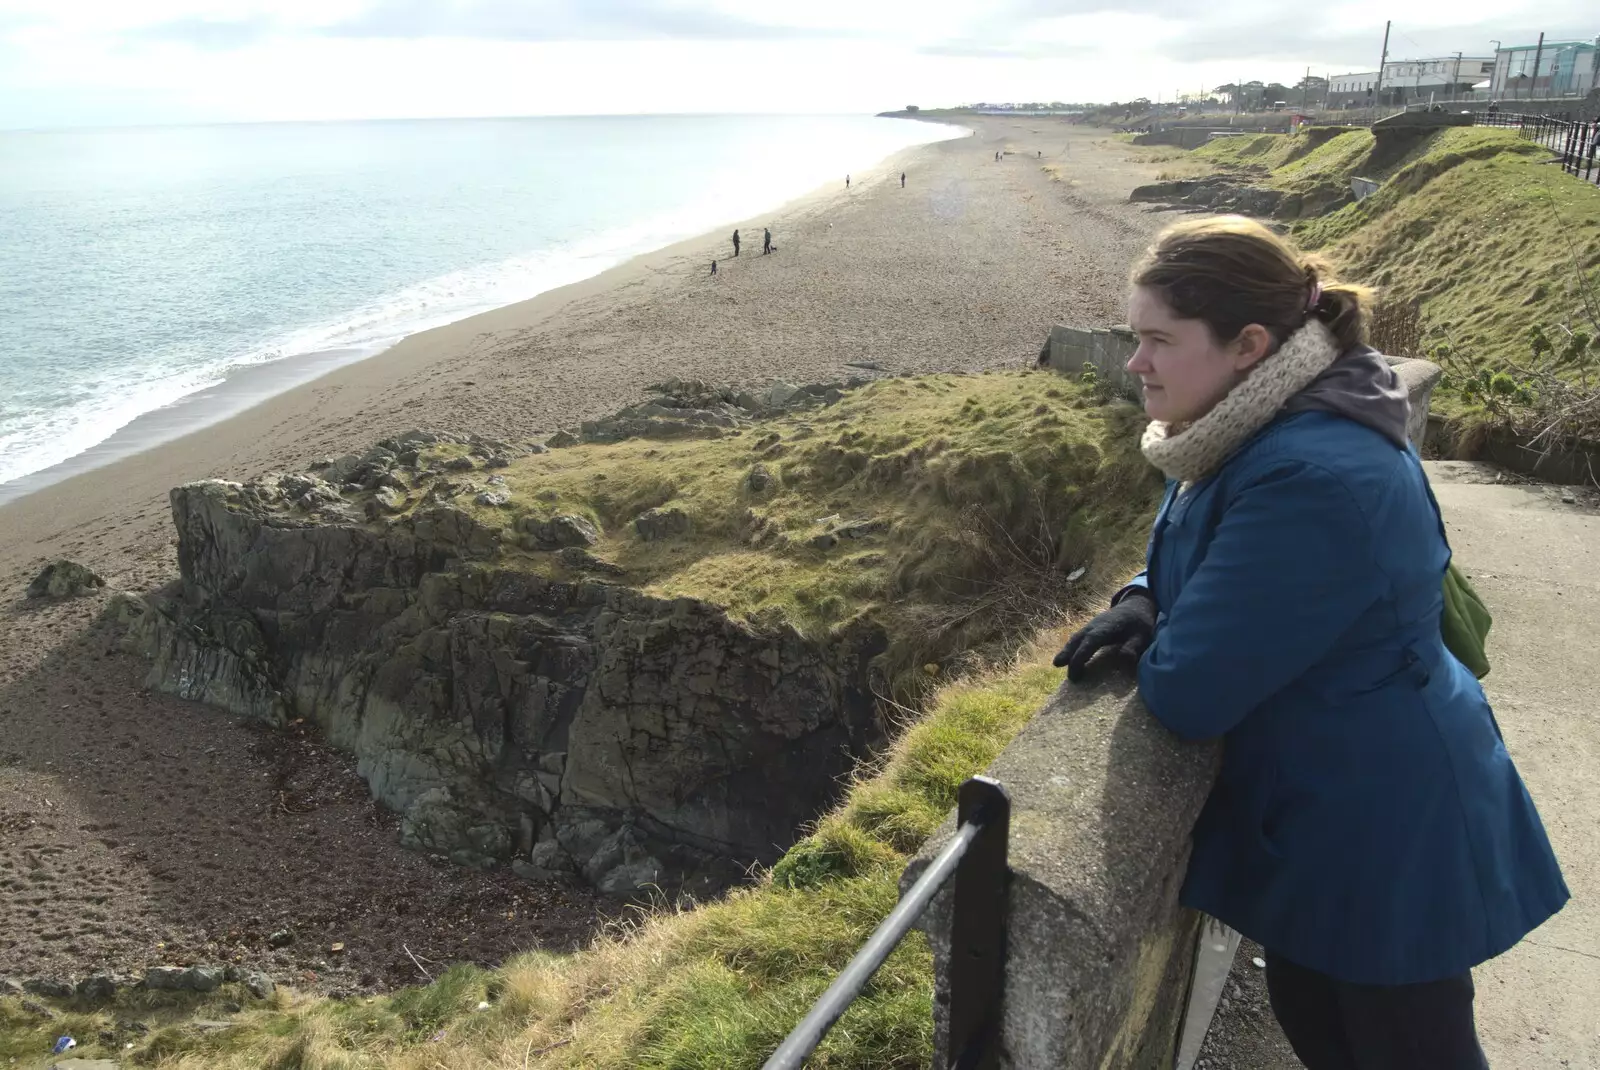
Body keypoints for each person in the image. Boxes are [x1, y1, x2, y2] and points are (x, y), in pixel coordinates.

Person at [1055, 216, 1568, 1070]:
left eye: (1155, 341)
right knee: (1326, 1026)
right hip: (1330, 807)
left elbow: (1190, 691)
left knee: (1406, 1049)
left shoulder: (1310, 473)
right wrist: (1144, 598)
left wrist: (1166, 630)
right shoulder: (1248, 425)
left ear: (1249, 343)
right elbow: (1197, 557)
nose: (1134, 363)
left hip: (1384, 825)